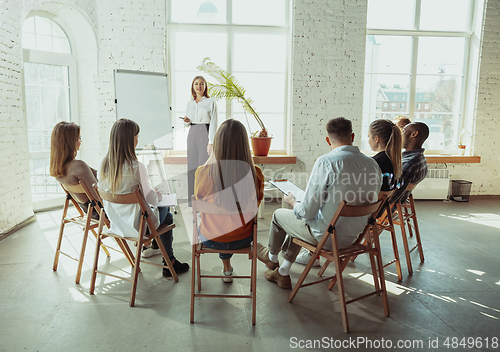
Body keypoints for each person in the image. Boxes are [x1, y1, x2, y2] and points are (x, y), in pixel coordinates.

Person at [256, 117, 382, 289]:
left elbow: (307, 212)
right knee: (300, 218)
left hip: (328, 238)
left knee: (283, 215)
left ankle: (271, 260)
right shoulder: (373, 164)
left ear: (328, 140)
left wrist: (294, 202)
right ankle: (283, 272)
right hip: (354, 238)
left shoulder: (327, 162)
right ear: (352, 137)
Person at [98, 118, 189, 278]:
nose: (138, 139)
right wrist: (157, 195)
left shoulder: (103, 165)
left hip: (117, 225)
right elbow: (152, 200)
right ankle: (169, 262)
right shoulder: (137, 167)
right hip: (138, 228)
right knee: (166, 213)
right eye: (136, 136)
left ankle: (155, 246)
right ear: (130, 140)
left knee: (163, 212)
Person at [194, 119, 264, 283]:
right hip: (243, 237)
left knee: (218, 224)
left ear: (217, 144)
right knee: (230, 224)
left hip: (210, 238)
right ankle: (228, 268)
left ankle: (226, 267)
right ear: (245, 145)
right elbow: (256, 206)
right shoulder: (256, 174)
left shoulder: (203, 173)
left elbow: (198, 203)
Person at [49, 121, 100, 219]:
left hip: (90, 212)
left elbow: (97, 174)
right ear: (71, 141)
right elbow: (99, 197)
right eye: (79, 138)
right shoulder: (79, 166)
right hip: (101, 212)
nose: (81, 142)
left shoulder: (57, 168)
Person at [183, 75, 218, 207]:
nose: (199, 86)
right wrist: (187, 122)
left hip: (205, 131)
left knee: (203, 168)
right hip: (192, 133)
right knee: (192, 167)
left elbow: (214, 122)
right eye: (196, 84)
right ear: (193, 86)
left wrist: (211, 142)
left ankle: (204, 200)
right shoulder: (190, 104)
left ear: (205, 86)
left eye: (202, 84)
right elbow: (188, 124)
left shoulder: (211, 102)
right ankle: (192, 202)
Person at [398, 122, 429, 203]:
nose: (401, 134)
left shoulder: (409, 163)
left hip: (385, 208)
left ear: (414, 134)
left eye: (404, 131)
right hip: (397, 202)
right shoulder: (419, 158)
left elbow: (394, 193)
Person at [368, 119, 402, 191]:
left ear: (376, 139)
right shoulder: (394, 159)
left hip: (373, 200)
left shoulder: (374, 163)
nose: (368, 140)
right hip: (385, 201)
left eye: (369, 136)